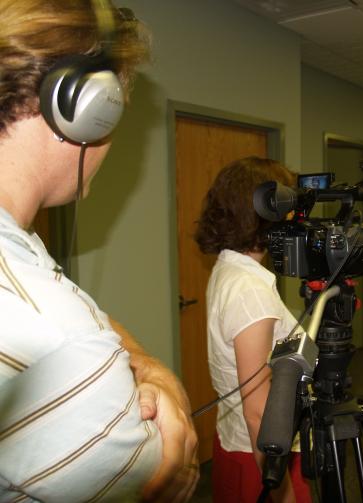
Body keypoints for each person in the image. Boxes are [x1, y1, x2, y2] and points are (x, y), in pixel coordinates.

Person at [0, 1, 198, 501]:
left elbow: (94, 318)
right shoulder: (59, 340)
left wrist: (148, 368)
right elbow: (172, 473)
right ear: (84, 113)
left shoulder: (20, 252)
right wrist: (165, 392)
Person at [195, 157, 312, 503]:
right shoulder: (250, 291)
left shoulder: (230, 268)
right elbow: (258, 409)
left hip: (238, 441)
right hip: (261, 455)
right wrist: (283, 493)